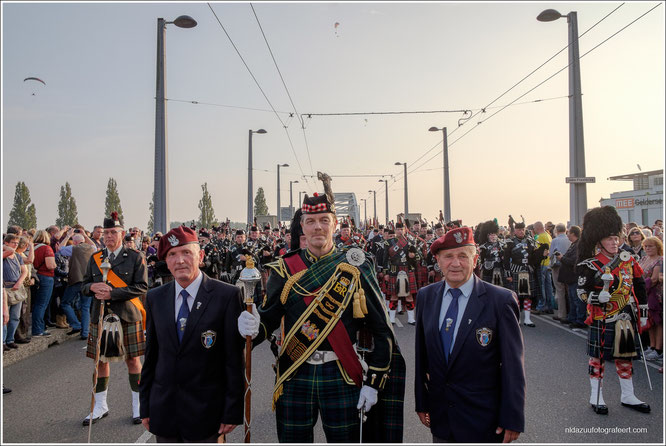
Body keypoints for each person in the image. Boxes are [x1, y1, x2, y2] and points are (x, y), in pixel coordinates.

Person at [238, 175, 405, 443]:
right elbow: (268, 321)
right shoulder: (284, 269)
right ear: (302, 226)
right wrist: (250, 326)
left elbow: (381, 328)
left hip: (341, 374)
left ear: (336, 224)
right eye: (311, 221)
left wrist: (373, 385)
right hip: (295, 373)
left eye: (324, 220)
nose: (318, 227)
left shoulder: (356, 265)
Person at [415, 227, 525, 443]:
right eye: (448, 256)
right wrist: (422, 402)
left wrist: (513, 417)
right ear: (438, 260)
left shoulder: (500, 301)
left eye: (463, 256)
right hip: (441, 417)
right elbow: (422, 357)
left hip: (483, 420)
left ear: (475, 261)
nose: (455, 263)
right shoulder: (426, 296)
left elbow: (513, 366)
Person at [139, 226, 244, 443]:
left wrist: (232, 409)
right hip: (166, 409)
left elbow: (233, 360)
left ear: (200, 256)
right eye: (172, 255)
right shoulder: (155, 298)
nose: (179, 261)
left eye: (186, 252)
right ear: (166, 262)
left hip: (207, 413)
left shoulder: (226, 295)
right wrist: (145, 404)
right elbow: (151, 357)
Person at [576, 206, 650, 415]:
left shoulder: (628, 260)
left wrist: (643, 314)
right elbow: (581, 292)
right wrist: (596, 297)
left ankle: (628, 394)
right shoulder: (589, 265)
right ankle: (596, 395)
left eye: (616, 238)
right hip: (602, 316)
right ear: (598, 242)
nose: (615, 242)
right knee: (597, 357)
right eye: (610, 239)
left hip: (626, 316)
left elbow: (639, 285)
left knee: (625, 357)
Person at [80, 212, 148, 426]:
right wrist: (92, 287)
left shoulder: (136, 257)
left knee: (133, 360)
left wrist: (113, 293)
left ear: (122, 233)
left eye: (113, 232)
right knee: (100, 361)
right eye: (106, 232)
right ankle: (100, 406)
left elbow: (142, 287)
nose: (109, 236)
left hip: (127, 315)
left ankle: (139, 406)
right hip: (100, 316)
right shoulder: (95, 258)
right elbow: (82, 286)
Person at [639, 236, 663, 361]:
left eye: (650, 246)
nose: (648, 248)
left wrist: (641, 286)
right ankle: (651, 346)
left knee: (657, 321)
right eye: (646, 246)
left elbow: (654, 279)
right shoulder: (644, 258)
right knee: (649, 321)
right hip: (644, 295)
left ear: (657, 247)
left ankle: (658, 349)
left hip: (655, 295)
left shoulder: (660, 260)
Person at [3, 234, 29, 350]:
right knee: (4, 317)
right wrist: (6, 246)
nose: (15, 245)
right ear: (6, 243)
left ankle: (10, 339)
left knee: (15, 316)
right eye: (13, 242)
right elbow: (8, 251)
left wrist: (19, 282)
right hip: (6, 288)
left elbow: (24, 271)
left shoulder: (18, 257)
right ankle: (3, 341)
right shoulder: (4, 255)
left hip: (17, 288)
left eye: (17, 243)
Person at [31, 230, 57, 337]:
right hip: (46, 277)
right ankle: (38, 329)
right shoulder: (47, 248)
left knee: (36, 304)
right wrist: (56, 265)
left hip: (35, 276)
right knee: (42, 304)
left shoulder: (32, 247)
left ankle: (37, 328)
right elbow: (50, 265)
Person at [549, 223, 572, 323]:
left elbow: (550, 254)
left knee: (560, 289)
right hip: (568, 266)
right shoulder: (569, 240)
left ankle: (562, 313)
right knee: (568, 290)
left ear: (556, 231)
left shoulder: (555, 240)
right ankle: (570, 313)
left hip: (558, 266)